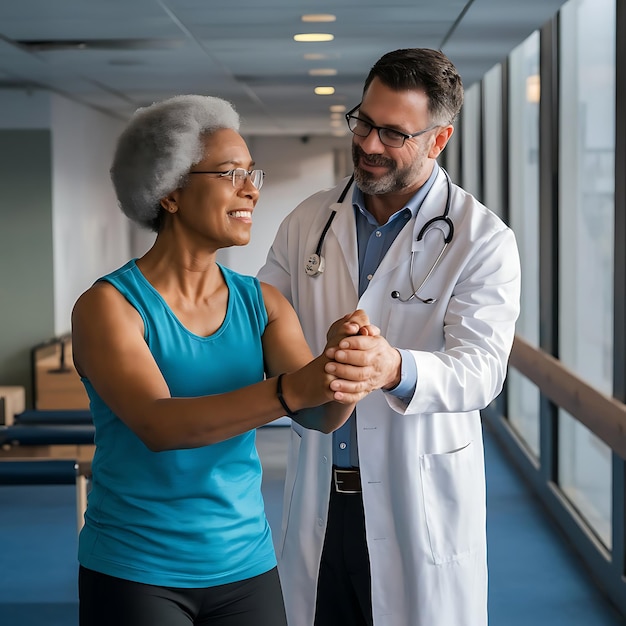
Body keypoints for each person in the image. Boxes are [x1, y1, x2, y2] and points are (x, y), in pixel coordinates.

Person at [71, 94, 378, 626]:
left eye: (251, 173)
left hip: (245, 566)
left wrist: (338, 368)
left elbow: (319, 417)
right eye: (230, 174)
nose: (251, 189)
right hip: (136, 567)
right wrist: (289, 390)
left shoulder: (262, 304)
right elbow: (159, 424)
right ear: (169, 192)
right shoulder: (109, 306)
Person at [258, 48, 522, 626]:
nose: (370, 144)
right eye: (364, 122)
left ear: (438, 138)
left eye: (393, 133)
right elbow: (260, 321)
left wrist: (395, 368)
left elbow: (482, 370)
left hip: (417, 499)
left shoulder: (482, 239)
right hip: (321, 497)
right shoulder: (309, 221)